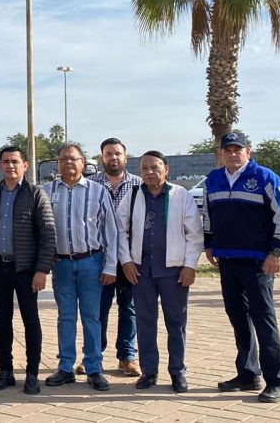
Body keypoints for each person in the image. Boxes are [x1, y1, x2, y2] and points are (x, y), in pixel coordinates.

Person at [204, 132, 280, 403]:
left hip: (258, 262)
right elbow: (208, 214)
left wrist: (276, 250)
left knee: (264, 321)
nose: (233, 154)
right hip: (227, 261)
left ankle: (276, 381)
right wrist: (210, 244)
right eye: (228, 150)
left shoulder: (266, 178)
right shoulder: (213, 179)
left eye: (238, 149)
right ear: (221, 153)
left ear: (249, 151)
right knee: (238, 319)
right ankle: (247, 373)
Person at [116, 151, 203, 394]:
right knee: (145, 323)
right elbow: (120, 231)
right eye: (144, 168)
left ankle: (177, 372)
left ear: (166, 169)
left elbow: (194, 235)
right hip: (141, 272)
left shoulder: (180, 195)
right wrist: (126, 262)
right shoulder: (132, 195)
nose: (149, 172)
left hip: (174, 272)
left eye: (155, 167)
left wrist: (190, 265)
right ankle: (149, 371)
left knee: (176, 324)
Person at [0, 147, 56, 395]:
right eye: (5, 162)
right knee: (2, 320)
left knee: (30, 319)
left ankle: (32, 373)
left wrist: (42, 269)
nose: (10, 166)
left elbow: (48, 234)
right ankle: (5, 371)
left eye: (15, 161)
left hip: (26, 269)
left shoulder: (35, 194)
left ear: (24, 166)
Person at [42, 144, 120, 391]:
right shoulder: (46, 191)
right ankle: (65, 367)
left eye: (73, 159)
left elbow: (111, 231)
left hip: (91, 262)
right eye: (63, 158)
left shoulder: (97, 191)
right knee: (65, 316)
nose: (68, 163)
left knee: (91, 317)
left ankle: (94, 368)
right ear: (57, 162)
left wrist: (110, 267)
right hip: (61, 264)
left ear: (83, 162)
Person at [89, 137, 142, 377]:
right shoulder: (90, 185)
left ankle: (127, 356)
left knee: (129, 308)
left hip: (131, 259)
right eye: (108, 154)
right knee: (98, 309)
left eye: (117, 153)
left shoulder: (139, 185)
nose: (113, 158)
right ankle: (94, 356)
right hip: (99, 258)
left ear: (125, 157)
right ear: (102, 158)